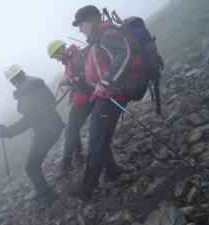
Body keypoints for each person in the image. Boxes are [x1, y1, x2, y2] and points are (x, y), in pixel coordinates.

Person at [62, 5, 146, 201]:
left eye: (81, 25)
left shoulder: (107, 35)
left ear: (91, 21)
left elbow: (122, 55)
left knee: (96, 139)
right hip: (105, 95)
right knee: (99, 135)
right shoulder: (98, 39)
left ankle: (86, 187)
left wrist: (106, 81)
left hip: (112, 95)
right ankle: (112, 171)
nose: (80, 29)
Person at [0, 64, 66, 202]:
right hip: (52, 125)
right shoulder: (33, 83)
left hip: (47, 130)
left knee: (31, 166)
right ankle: (41, 189)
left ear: (12, 81)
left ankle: (48, 195)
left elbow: (29, 119)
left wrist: (8, 131)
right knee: (32, 160)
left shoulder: (27, 91)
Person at [47, 40, 92, 179]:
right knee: (73, 129)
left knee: (71, 131)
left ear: (61, 49)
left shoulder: (75, 56)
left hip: (85, 98)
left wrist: (69, 80)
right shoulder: (70, 59)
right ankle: (79, 156)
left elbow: (86, 74)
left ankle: (66, 164)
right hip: (83, 97)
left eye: (55, 55)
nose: (56, 59)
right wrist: (68, 79)